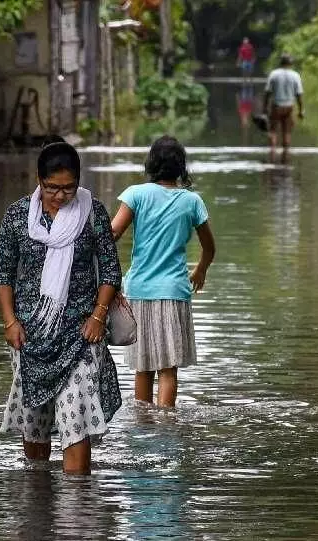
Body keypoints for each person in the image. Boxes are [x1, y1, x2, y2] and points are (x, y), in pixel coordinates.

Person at [0, 136, 123, 475]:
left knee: (75, 417)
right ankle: (38, 499)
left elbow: (111, 270)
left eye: (69, 188)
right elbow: (3, 273)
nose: (61, 196)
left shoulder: (92, 213)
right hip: (30, 335)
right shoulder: (18, 216)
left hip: (81, 333)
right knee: (34, 422)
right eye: (53, 188)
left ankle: (78, 512)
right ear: (39, 181)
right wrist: (10, 322)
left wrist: (98, 315)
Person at [110, 136, 216, 408]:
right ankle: (167, 426)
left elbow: (113, 233)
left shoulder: (136, 194)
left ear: (151, 165)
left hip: (140, 290)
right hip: (174, 292)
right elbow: (209, 246)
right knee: (168, 369)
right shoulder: (192, 201)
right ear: (181, 168)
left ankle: (143, 425)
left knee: (143, 366)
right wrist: (200, 269)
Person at [263, 53, 304, 151]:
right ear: (291, 63)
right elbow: (299, 94)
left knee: (273, 132)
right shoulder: (295, 75)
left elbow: (267, 92)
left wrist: (264, 108)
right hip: (289, 106)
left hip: (276, 106)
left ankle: (272, 154)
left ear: (280, 62)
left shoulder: (274, 74)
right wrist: (301, 110)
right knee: (287, 133)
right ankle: (286, 156)